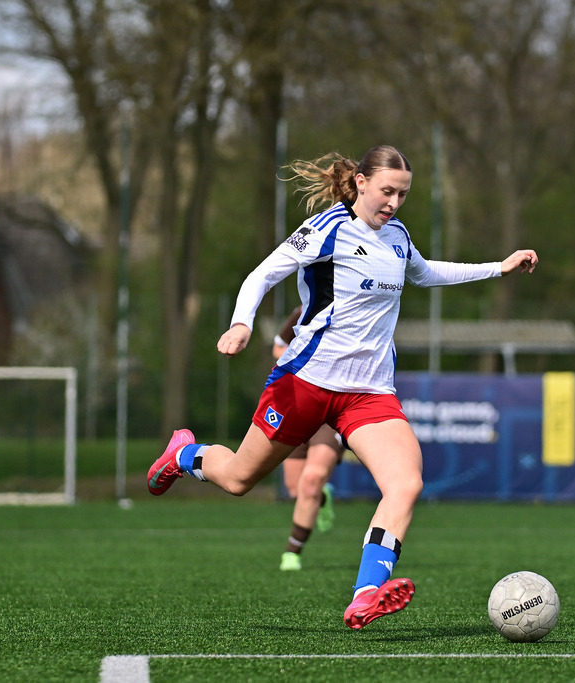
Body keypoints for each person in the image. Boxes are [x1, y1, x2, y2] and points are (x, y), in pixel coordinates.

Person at [147, 144, 538, 629]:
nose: (394, 203)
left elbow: (426, 270)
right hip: (306, 382)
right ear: (360, 183)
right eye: (386, 191)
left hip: (369, 392)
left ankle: (365, 594)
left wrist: (496, 267)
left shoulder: (396, 235)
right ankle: (184, 454)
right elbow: (262, 274)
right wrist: (241, 324)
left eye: (403, 194)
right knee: (238, 480)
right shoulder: (327, 229)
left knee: (406, 483)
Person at [272, 305, 345, 572]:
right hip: (297, 405)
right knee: (296, 489)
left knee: (310, 481)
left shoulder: (359, 306)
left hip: (333, 409)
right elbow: (278, 347)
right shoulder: (306, 308)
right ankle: (323, 498)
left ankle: (292, 553)